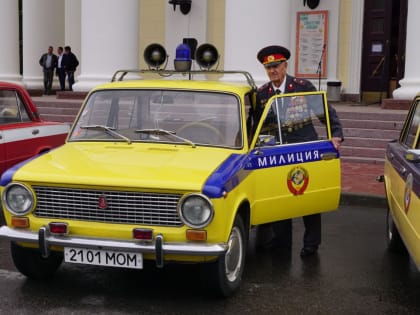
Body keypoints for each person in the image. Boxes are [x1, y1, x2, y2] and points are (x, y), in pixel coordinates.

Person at [251, 45, 344, 257]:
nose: (272, 71)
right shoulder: (263, 93)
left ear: (285, 65)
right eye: (268, 67)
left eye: (276, 66)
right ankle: (281, 241)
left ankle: (311, 244)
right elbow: (257, 125)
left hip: (304, 148)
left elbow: (325, 112)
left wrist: (335, 134)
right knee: (279, 196)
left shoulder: (302, 86)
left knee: (307, 198)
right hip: (278, 152)